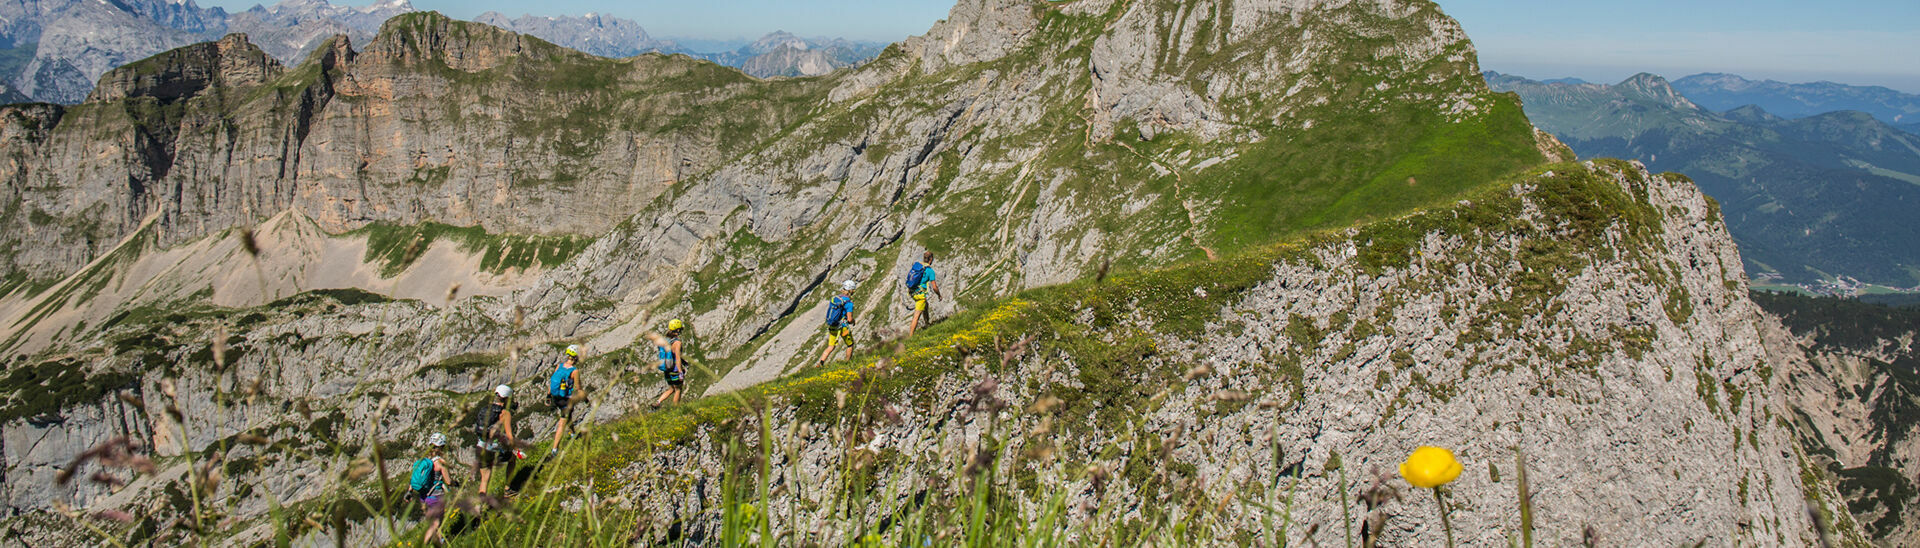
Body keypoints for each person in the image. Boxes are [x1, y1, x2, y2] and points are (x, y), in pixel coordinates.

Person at [411, 433, 456, 545]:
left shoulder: (424, 461)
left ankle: (440, 542)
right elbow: (449, 482)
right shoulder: (440, 462)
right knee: (435, 525)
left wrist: (409, 491)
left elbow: (414, 478)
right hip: (437, 497)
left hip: (424, 498)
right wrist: (456, 483)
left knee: (433, 524)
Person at [472, 384, 516, 495]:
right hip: (493, 449)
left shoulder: (484, 409)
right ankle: (508, 488)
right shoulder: (505, 413)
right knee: (512, 459)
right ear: (507, 399)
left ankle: (480, 506)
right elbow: (509, 435)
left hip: (480, 446)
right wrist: (515, 448)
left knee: (484, 479)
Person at [546, 345, 582, 460]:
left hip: (556, 397)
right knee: (562, 423)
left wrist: (548, 395)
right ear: (575, 357)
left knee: (568, 416)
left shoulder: (559, 366)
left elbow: (551, 382)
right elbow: (578, 387)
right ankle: (555, 449)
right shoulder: (574, 371)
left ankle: (573, 434)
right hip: (566, 399)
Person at [817, 280, 858, 367]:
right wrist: (853, 321)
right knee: (850, 344)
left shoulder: (836, 299)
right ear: (851, 290)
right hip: (843, 327)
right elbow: (849, 319)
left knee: (831, 346)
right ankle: (847, 363)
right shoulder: (848, 303)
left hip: (833, 326)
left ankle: (821, 362)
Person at [905, 252, 943, 336]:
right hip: (920, 295)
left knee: (925, 305)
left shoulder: (918, 266)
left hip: (912, 292)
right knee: (917, 315)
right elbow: (934, 287)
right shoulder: (930, 271)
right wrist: (939, 295)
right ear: (931, 259)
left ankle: (927, 323)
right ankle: (911, 337)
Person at [651, 320, 686, 409]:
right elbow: (677, 358)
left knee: (671, 389)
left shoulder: (665, 340)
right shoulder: (677, 343)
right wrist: (680, 372)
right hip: (674, 369)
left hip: (666, 368)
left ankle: (658, 402)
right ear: (678, 330)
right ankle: (675, 410)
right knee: (678, 389)